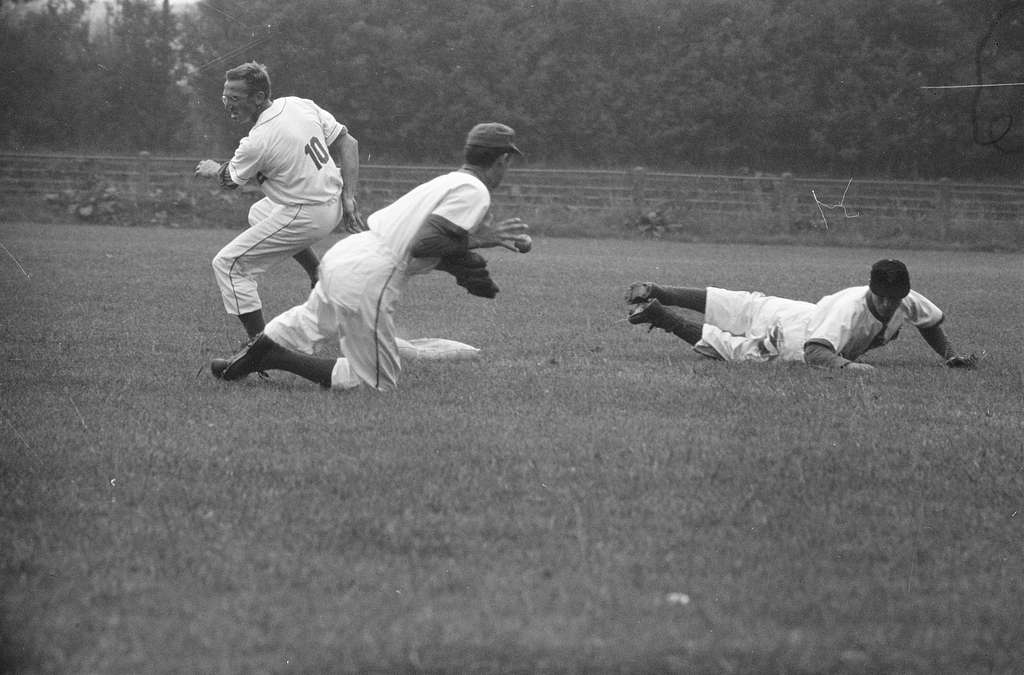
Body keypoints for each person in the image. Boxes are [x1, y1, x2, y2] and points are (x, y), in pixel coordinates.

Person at [209, 122, 530, 391]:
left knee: (308, 321)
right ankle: (275, 357)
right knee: (375, 380)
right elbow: (423, 243)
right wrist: (479, 241)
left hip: (348, 256)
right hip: (371, 276)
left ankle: (243, 362)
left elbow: (423, 240)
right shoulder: (475, 191)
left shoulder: (449, 180)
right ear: (501, 160)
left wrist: (459, 267)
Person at [194, 61, 363, 339]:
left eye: (234, 98)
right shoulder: (298, 104)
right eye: (225, 97)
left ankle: (261, 350)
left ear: (259, 98)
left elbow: (229, 181)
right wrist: (349, 199)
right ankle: (318, 274)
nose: (228, 104)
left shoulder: (258, 139)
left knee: (228, 265)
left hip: (307, 214)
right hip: (330, 203)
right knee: (260, 213)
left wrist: (214, 168)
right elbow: (349, 143)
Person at [625, 259, 978, 372]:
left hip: (803, 312)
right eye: (881, 297)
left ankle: (657, 295)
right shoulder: (850, 310)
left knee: (745, 305)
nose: (888, 304)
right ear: (870, 289)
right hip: (796, 338)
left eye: (894, 298)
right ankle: (661, 311)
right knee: (732, 349)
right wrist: (851, 367)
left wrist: (949, 356)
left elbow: (930, 324)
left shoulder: (908, 300)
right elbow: (815, 353)